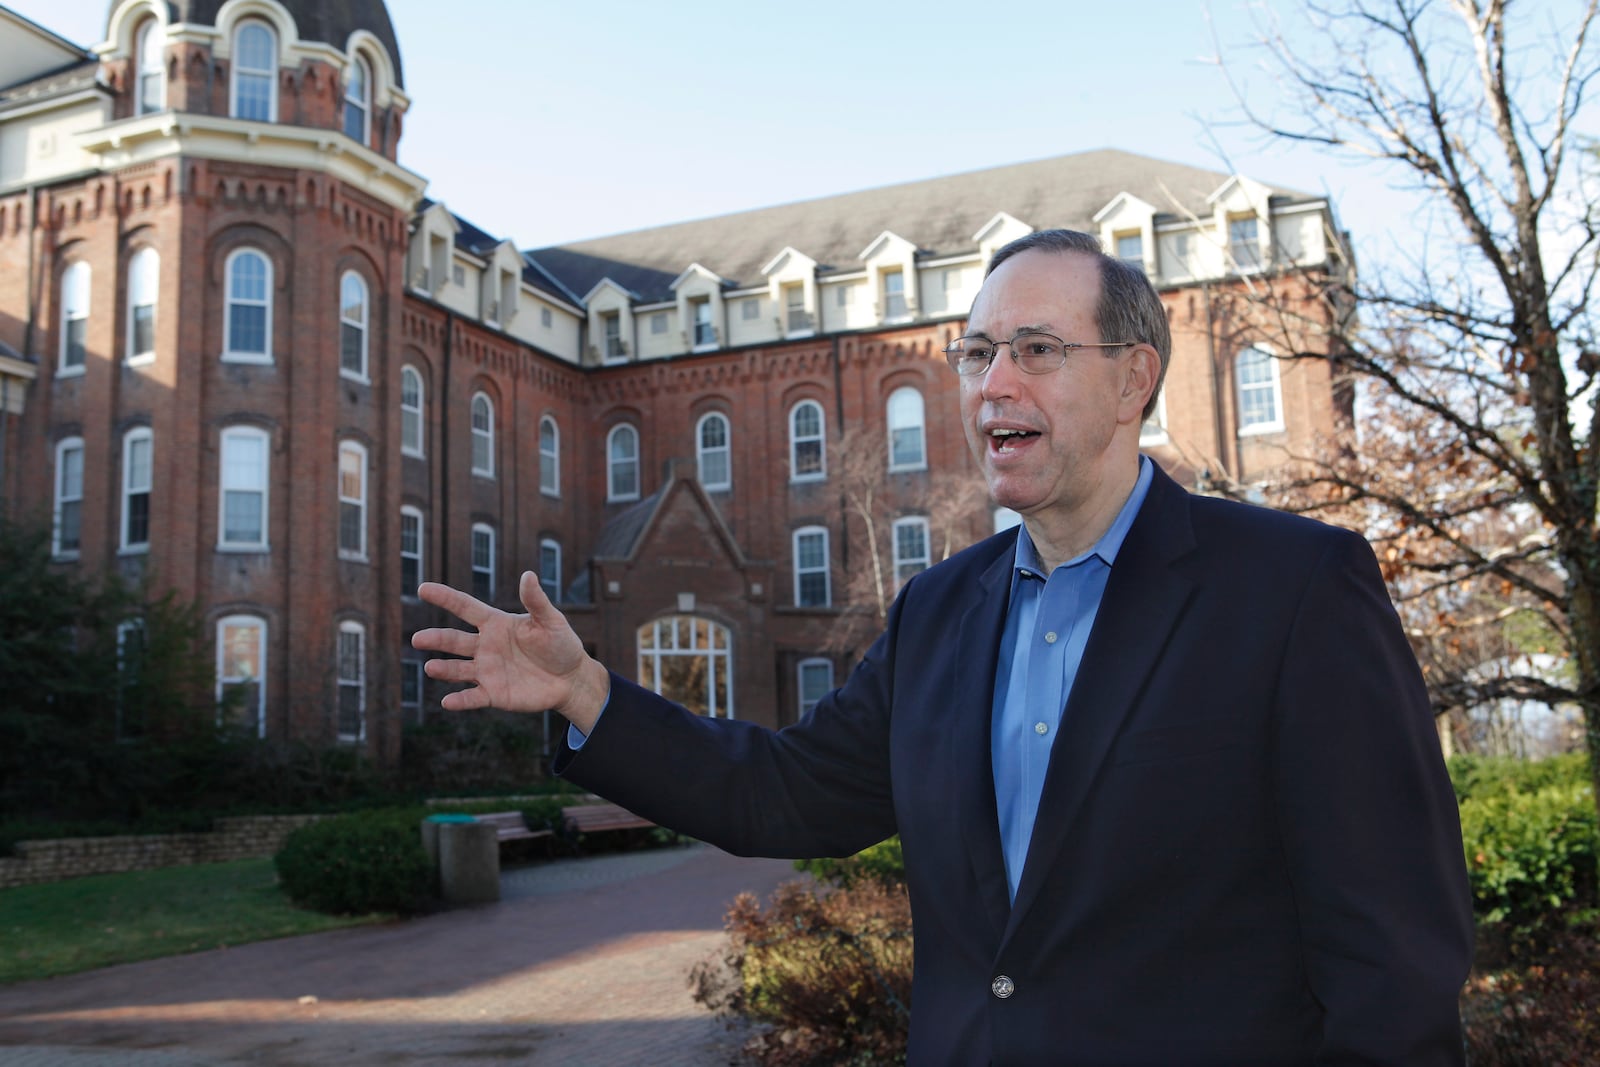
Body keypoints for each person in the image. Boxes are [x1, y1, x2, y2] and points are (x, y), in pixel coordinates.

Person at [414, 229, 1474, 1065]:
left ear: (1132, 379)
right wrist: (588, 691)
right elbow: (783, 793)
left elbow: (1391, 952)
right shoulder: (940, 612)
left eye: (1038, 351)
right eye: (975, 354)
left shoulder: (1291, 587)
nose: (990, 384)